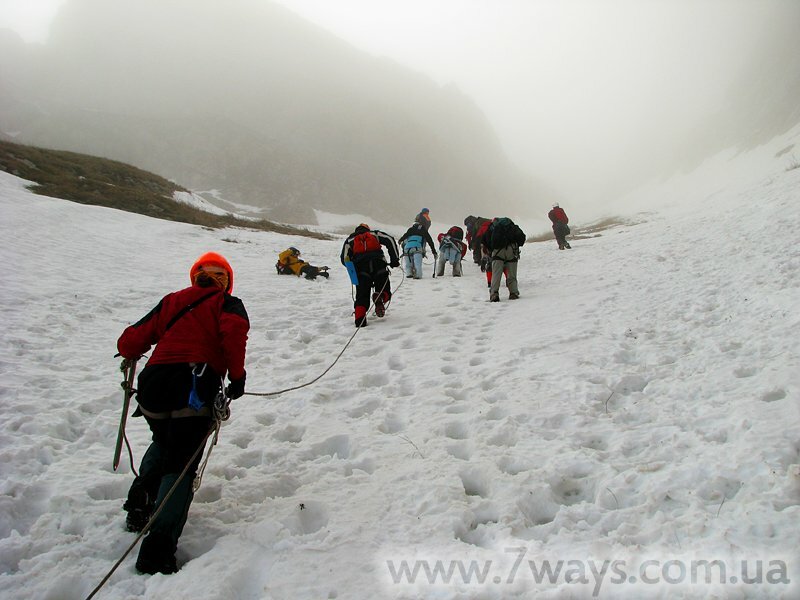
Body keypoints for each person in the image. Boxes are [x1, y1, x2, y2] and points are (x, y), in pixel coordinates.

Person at [117, 251, 249, 574]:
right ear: (226, 281)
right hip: (195, 386)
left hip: (153, 386)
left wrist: (128, 351)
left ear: (196, 276)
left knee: (164, 440)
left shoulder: (173, 301)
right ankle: (157, 552)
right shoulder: (228, 304)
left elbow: (132, 339)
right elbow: (234, 332)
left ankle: (139, 505)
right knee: (182, 463)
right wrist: (237, 377)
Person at [340, 223, 400, 327]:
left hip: (361, 268)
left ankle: (360, 319)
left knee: (361, 295)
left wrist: (353, 272)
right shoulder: (375, 234)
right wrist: (394, 259)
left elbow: (344, 259)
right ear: (367, 229)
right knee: (384, 289)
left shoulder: (350, 240)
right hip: (379, 265)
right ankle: (380, 297)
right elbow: (390, 239)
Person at [483, 217, 526, 302]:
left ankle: (494, 294)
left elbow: (486, 240)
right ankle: (513, 293)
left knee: (496, 274)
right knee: (512, 274)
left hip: (497, 252)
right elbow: (521, 239)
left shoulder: (494, 228)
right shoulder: (513, 227)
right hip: (512, 251)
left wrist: (491, 251)